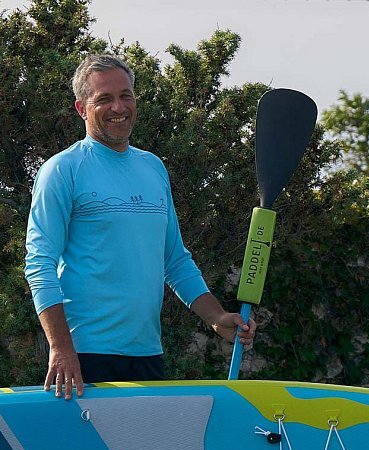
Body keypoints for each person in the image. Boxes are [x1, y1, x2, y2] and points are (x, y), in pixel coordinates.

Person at [25, 54, 255, 399]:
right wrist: (61, 348)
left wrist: (217, 316)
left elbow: (174, 260)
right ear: (81, 108)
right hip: (84, 356)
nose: (118, 107)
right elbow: (39, 264)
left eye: (126, 95)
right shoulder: (62, 170)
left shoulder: (153, 168)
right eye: (104, 98)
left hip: (147, 355)